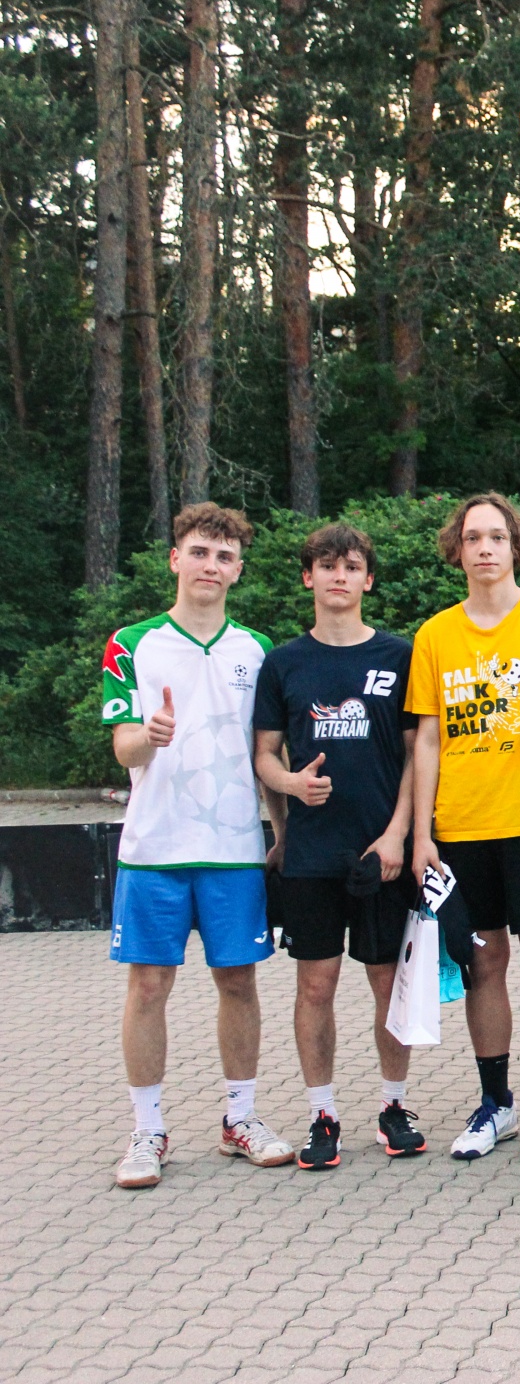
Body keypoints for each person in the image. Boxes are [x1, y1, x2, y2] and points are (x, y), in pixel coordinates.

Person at [106, 503, 293, 1189]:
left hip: (234, 851)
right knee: (148, 985)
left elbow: (266, 753)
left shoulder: (258, 650)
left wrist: (281, 831)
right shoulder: (131, 643)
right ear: (175, 559)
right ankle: (147, 1130)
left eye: (224, 556)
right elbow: (122, 746)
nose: (210, 565)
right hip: (153, 849)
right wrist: (148, 736)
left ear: (237, 570)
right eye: (199, 552)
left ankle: (240, 1119)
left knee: (239, 982)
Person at [407, 494, 520, 1163]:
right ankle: (496, 1105)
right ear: (457, 551)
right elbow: (427, 741)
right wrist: (422, 834)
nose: (484, 548)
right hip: (462, 830)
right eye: (472, 538)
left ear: (517, 546)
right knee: (483, 964)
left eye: (496, 537)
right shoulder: (434, 636)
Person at [253, 522, 425, 1168]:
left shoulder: (398, 656)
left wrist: (397, 833)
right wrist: (290, 786)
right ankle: (321, 1114)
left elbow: (417, 755)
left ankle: (393, 1106)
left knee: (388, 984)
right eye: (327, 566)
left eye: (351, 566)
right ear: (309, 577)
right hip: (311, 856)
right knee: (315, 987)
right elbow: (263, 756)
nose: (339, 576)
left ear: (368, 580)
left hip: (380, 854)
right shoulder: (283, 662)